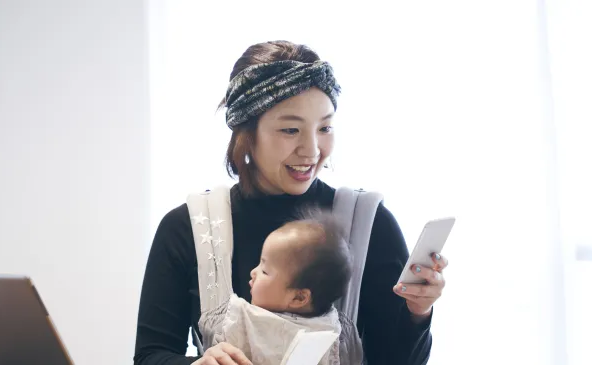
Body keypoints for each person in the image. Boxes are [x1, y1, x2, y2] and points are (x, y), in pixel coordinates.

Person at [134, 40, 449, 365]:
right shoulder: (188, 227)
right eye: (290, 129)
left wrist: (418, 311)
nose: (312, 150)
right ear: (246, 132)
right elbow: (149, 356)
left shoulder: (368, 223)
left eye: (325, 127)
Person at [197, 208, 362, 365]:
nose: (253, 272)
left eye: (264, 270)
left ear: (298, 297)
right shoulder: (238, 320)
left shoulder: (336, 337)